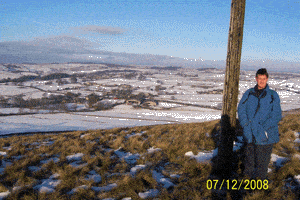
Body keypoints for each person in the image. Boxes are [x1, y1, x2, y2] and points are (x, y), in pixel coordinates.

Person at [238, 68, 282, 180]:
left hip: (265, 135)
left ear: (267, 79)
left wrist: (262, 128)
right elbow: (241, 109)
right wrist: (246, 125)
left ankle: (259, 188)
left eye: (264, 79)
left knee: (262, 164)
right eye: (259, 78)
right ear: (256, 78)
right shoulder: (248, 93)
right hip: (250, 134)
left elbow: (276, 115)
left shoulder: (273, 95)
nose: (261, 81)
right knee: (249, 161)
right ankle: (247, 184)